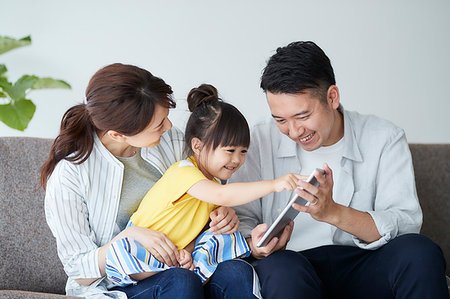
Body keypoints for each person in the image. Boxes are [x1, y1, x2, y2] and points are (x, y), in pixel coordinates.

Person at [231, 41, 449, 299]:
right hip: (292, 264)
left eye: (302, 116)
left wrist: (333, 213)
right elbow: (241, 217)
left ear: (332, 97)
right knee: (280, 271)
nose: (293, 131)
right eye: (280, 120)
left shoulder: (384, 137)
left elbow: (405, 225)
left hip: (366, 263)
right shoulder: (259, 138)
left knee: (420, 252)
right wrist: (255, 245)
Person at [41, 64, 259, 299]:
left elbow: (205, 193)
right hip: (119, 283)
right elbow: (79, 270)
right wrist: (129, 236)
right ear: (117, 134)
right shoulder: (70, 176)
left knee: (236, 272)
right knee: (180, 282)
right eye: (158, 124)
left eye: (165, 117)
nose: (168, 127)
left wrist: (220, 214)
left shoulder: (171, 140)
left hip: (187, 256)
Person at [105, 84, 300, 289]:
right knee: (120, 252)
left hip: (172, 256)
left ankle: (187, 266)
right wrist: (275, 184)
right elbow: (223, 195)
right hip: (139, 247)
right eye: (230, 150)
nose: (237, 160)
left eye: (243, 151)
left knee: (219, 234)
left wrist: (188, 253)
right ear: (198, 146)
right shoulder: (184, 172)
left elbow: (197, 231)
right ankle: (160, 272)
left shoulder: (212, 185)